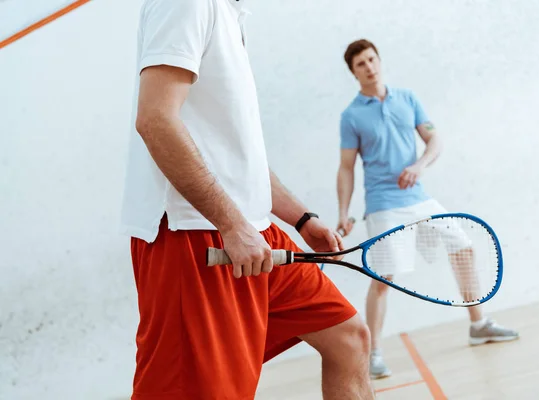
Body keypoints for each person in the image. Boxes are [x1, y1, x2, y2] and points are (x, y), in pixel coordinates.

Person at [119, 1, 375, 399]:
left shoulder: (229, 14)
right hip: (196, 236)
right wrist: (232, 225)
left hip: (253, 232)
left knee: (349, 338)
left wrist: (302, 219)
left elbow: (234, 156)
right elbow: (155, 120)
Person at [335, 39, 519, 380]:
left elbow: (435, 140)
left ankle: (478, 325)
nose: (369, 67)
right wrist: (343, 212)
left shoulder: (407, 99)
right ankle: (372, 353)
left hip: (419, 198)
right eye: (361, 64)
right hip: (383, 204)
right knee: (383, 278)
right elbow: (346, 167)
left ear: (380, 60)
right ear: (354, 72)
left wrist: (419, 166)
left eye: (372, 59)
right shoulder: (351, 116)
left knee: (463, 248)